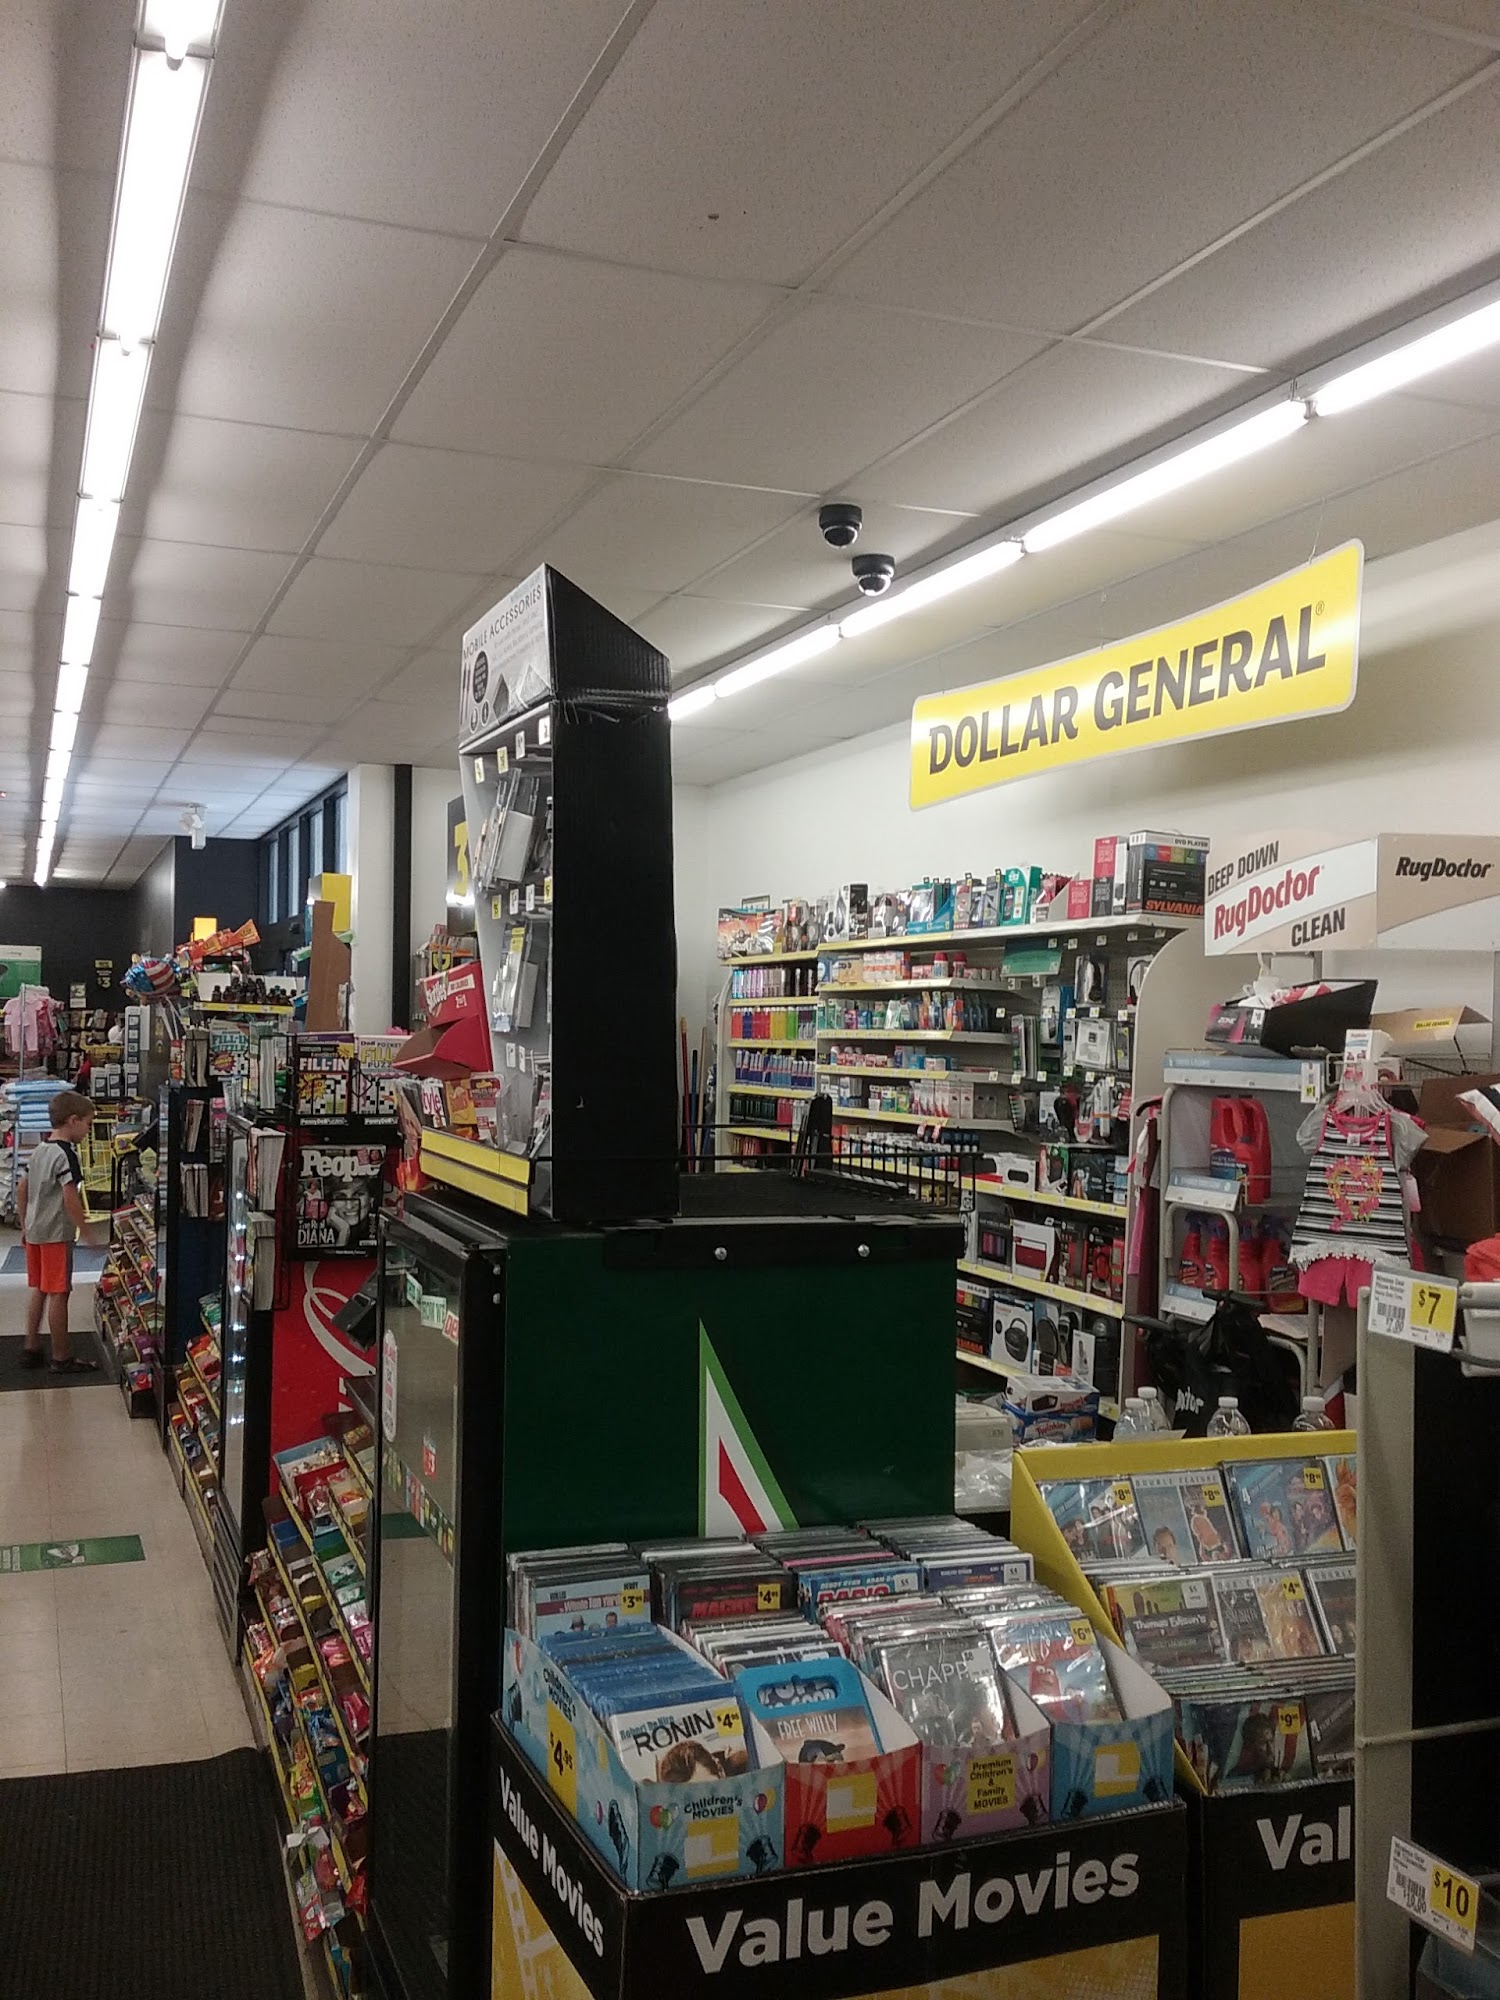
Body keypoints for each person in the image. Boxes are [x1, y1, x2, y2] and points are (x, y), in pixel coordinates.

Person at [17, 1089, 99, 1373]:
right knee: (59, 1293)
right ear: (73, 1120)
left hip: (35, 1231)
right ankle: (61, 1357)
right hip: (55, 1234)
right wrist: (86, 1230)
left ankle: (31, 1347)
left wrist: (25, 1223)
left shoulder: (40, 1150)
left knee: (39, 1289)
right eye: (88, 1124)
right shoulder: (66, 1154)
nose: (88, 1131)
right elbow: (70, 1197)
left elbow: (22, 1189)